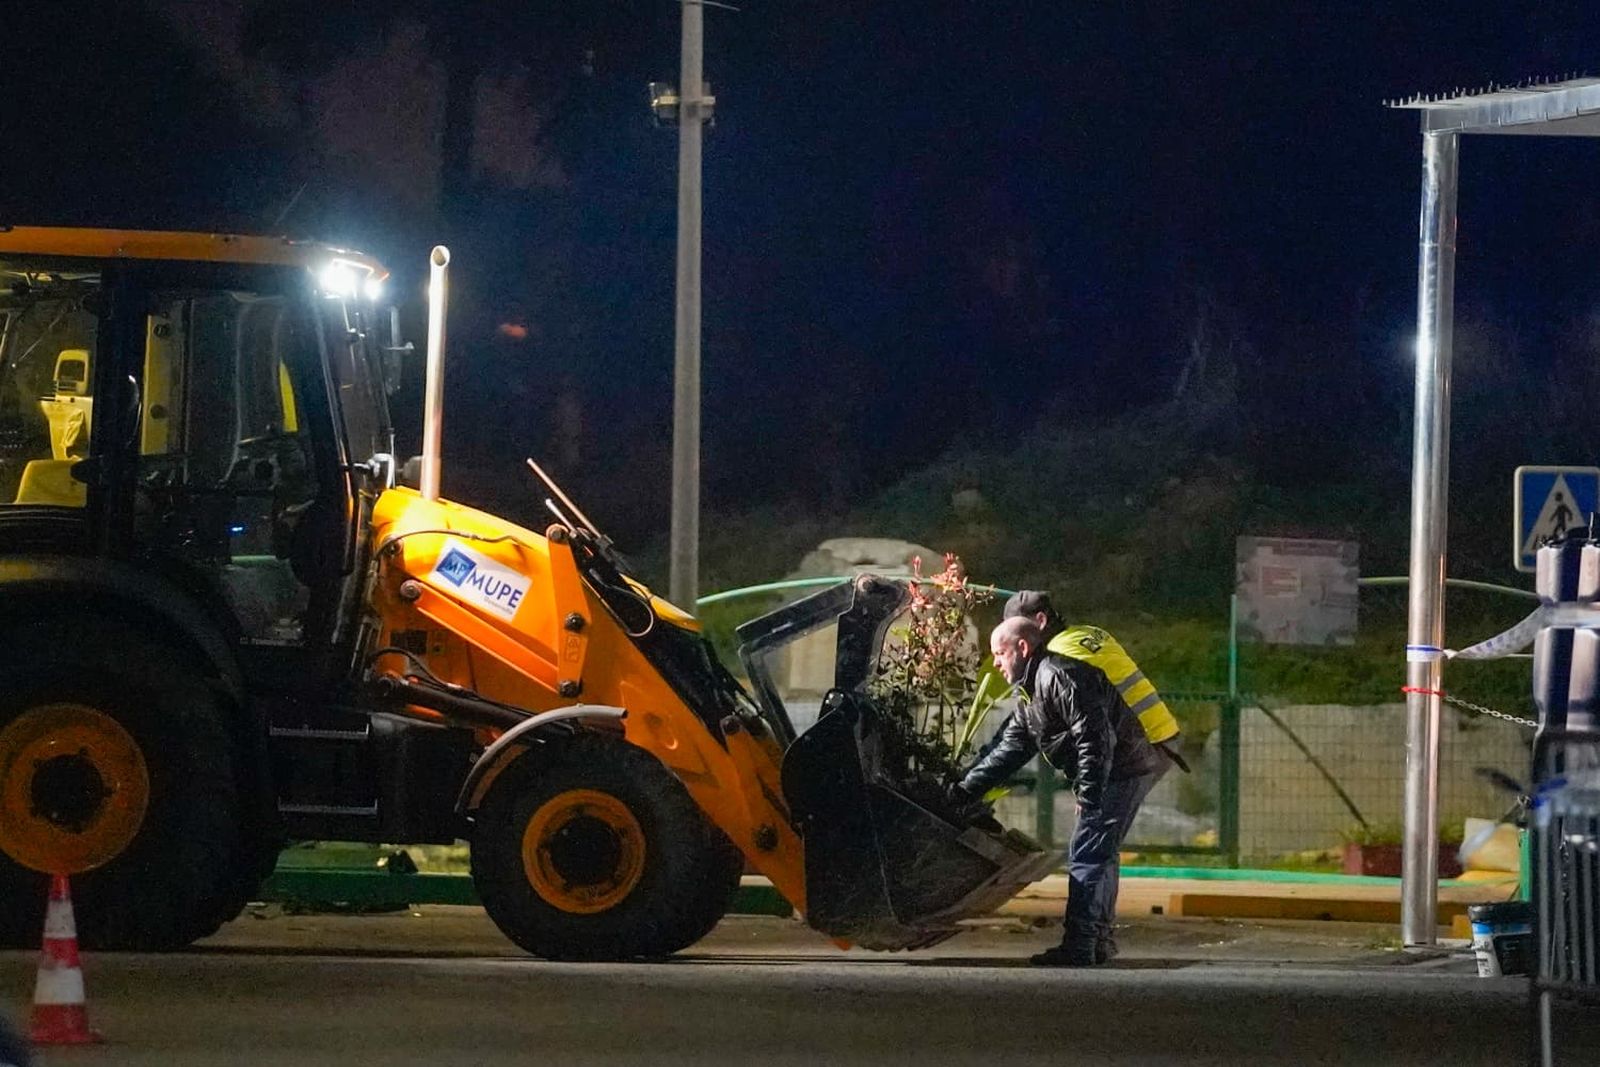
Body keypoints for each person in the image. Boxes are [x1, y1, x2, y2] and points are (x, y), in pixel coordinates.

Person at [955, 616, 1172, 966]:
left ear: (1022, 648)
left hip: (1122, 769)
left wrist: (1088, 795)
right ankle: (1097, 942)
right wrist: (962, 791)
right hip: (1121, 768)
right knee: (1099, 853)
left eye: (999, 653)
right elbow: (1010, 750)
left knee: (1087, 853)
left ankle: (1081, 946)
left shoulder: (1059, 676)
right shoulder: (1031, 690)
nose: (994, 662)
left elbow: (1095, 737)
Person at [1002, 589, 1186, 762]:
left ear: (1040, 621)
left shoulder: (1057, 656)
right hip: (1163, 730)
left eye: (1017, 628)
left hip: (1142, 744)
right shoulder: (1092, 632)